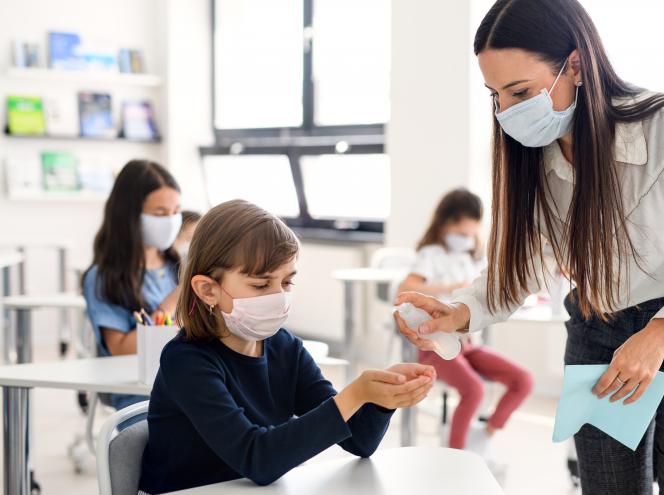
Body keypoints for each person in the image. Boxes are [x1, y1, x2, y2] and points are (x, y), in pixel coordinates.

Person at [394, 1, 664, 493]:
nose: (506, 112)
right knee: (608, 486)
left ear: (577, 65)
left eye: (520, 91)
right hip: (599, 328)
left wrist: (658, 334)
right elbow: (521, 268)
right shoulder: (535, 156)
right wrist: (458, 312)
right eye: (495, 95)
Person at [139, 200, 436, 494]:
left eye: (287, 282)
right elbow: (258, 460)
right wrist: (354, 394)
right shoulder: (186, 361)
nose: (279, 297)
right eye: (261, 285)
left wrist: (381, 396)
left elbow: (359, 441)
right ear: (208, 290)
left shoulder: (284, 347)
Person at [398, 188, 533, 458]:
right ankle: (455, 458)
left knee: (523, 380)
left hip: (469, 344)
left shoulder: (474, 257)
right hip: (437, 347)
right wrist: (451, 288)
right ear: (445, 224)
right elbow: (406, 286)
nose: (466, 240)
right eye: (461, 234)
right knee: (474, 389)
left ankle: (484, 436)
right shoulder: (431, 254)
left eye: (471, 235)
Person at [82, 159, 182, 414]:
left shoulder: (178, 266)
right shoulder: (104, 277)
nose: (170, 221)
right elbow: (122, 349)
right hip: (141, 396)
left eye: (175, 211)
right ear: (130, 215)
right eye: (160, 213)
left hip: (188, 382)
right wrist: (170, 304)